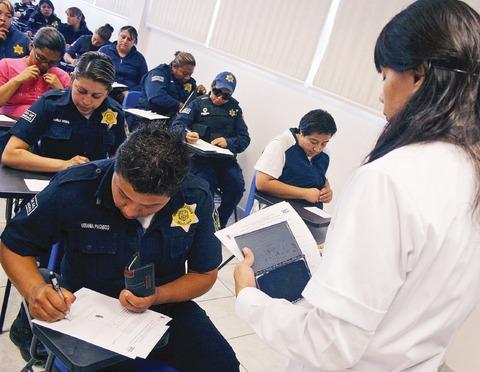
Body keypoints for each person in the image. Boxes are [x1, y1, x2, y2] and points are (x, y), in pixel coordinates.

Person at [234, 0, 480, 370]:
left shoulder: (389, 179)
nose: (381, 92)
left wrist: (249, 298)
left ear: (418, 76)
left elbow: (327, 345)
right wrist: (342, 256)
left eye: (384, 75)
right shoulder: (468, 172)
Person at [0, 124, 240, 371]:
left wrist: (157, 295)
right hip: (83, 308)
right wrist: (34, 289)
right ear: (115, 166)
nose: (130, 211)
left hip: (164, 307)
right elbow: (13, 245)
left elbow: (204, 274)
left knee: (224, 366)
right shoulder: (74, 187)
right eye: (123, 195)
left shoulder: (195, 196)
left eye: (150, 206)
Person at [2, 51, 127, 173]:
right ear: (72, 79)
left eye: (96, 96)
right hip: (48, 181)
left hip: (90, 187)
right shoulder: (50, 104)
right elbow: (10, 154)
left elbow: (122, 161)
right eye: (81, 91)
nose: (86, 101)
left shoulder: (115, 113)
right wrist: (64, 165)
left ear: (108, 92)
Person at [173, 71, 250, 228]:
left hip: (224, 161)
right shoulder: (198, 103)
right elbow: (177, 125)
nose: (220, 97)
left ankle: (218, 224)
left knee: (236, 187)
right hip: (199, 159)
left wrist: (228, 142)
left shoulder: (235, 110)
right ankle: (198, 225)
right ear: (212, 86)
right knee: (204, 189)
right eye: (217, 92)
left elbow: (244, 139)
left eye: (226, 95)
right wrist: (187, 134)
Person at [255, 109, 336, 208]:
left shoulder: (324, 154)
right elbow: (262, 183)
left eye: (324, 143)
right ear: (301, 133)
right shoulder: (281, 145)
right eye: (313, 142)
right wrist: (304, 193)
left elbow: (321, 178)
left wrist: (327, 191)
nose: (318, 148)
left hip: (309, 213)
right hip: (276, 208)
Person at [0, 26, 70, 118]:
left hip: (44, 129)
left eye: (52, 62)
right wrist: (16, 81)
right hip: (7, 126)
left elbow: (69, 116)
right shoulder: (7, 65)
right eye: (41, 58)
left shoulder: (62, 76)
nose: (45, 65)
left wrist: (60, 92)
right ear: (31, 46)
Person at [138, 51, 206, 117]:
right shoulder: (159, 73)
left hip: (171, 117)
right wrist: (180, 106)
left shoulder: (189, 81)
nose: (187, 77)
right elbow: (157, 96)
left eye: (190, 74)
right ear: (174, 66)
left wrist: (199, 93)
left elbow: (193, 100)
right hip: (149, 114)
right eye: (184, 73)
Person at [98, 25, 147, 96]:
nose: (125, 41)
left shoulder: (139, 59)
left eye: (129, 39)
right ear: (118, 36)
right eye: (123, 37)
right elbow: (94, 71)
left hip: (127, 94)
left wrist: (130, 92)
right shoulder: (104, 51)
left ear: (134, 42)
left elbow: (144, 83)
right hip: (104, 90)